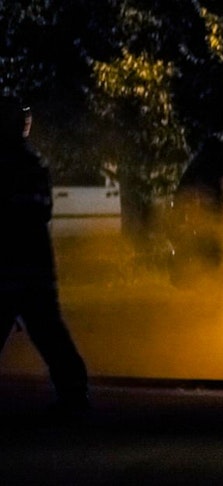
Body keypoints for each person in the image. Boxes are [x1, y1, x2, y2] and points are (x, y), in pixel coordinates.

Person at [0, 96, 89, 414]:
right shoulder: (30, 162)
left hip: (18, 265)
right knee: (49, 332)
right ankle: (74, 394)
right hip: (31, 265)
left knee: (48, 332)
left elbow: (29, 212)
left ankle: (74, 395)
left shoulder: (19, 164)